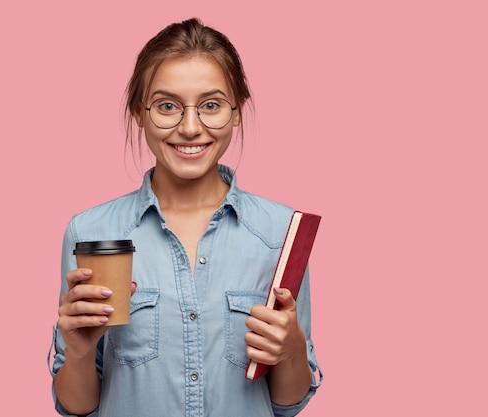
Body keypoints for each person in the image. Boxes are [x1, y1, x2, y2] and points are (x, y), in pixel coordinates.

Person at [49, 17, 322, 417]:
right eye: (166, 106)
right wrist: (78, 350)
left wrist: (293, 351)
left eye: (211, 105)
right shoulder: (91, 232)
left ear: (237, 112)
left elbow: (288, 404)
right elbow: (77, 408)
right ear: (139, 114)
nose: (190, 127)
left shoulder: (281, 233)